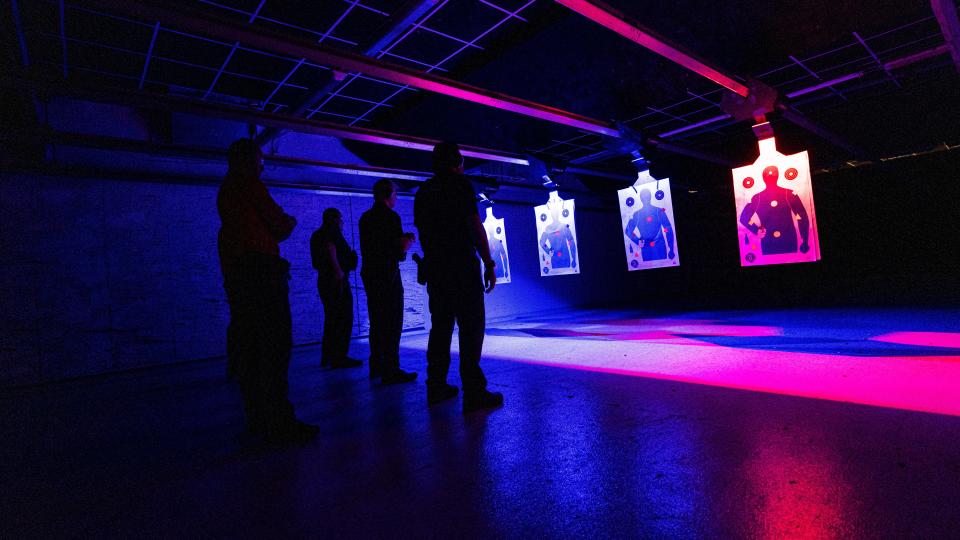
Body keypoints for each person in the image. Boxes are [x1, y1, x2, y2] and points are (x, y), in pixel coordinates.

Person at [217, 138, 318, 444]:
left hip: (240, 274)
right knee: (274, 347)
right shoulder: (250, 186)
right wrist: (290, 220)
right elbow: (281, 225)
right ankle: (280, 422)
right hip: (261, 272)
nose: (263, 166)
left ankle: (259, 419)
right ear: (249, 161)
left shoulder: (227, 192)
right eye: (261, 160)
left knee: (252, 350)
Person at [413, 142, 503, 413]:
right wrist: (488, 262)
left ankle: (436, 386)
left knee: (440, 329)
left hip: (437, 271)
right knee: (471, 327)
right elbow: (474, 226)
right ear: (457, 162)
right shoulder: (460, 186)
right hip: (462, 268)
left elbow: (424, 233)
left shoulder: (423, 192)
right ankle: (474, 391)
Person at [358, 179, 418, 385]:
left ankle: (376, 365)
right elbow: (397, 251)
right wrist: (407, 242)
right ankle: (391, 369)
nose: (397, 198)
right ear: (388, 194)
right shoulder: (391, 217)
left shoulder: (365, 218)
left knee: (377, 321)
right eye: (395, 194)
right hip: (388, 275)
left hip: (370, 274)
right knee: (393, 323)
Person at [310, 208, 362, 369]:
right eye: (340, 219)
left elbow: (316, 263)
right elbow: (348, 261)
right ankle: (339, 356)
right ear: (335, 220)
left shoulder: (317, 236)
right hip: (338, 281)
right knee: (344, 318)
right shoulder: (336, 236)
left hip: (325, 281)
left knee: (331, 318)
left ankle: (328, 356)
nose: (342, 222)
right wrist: (351, 259)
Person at [739, 165, 810, 255]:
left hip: (774, 241)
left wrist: (756, 230)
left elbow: (801, 217)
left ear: (763, 178)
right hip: (783, 240)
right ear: (778, 176)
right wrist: (805, 241)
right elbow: (801, 217)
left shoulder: (758, 197)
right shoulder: (788, 193)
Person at [624, 188, 675, 261]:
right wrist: (671, 249)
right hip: (654, 249)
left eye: (646, 197)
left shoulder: (638, 214)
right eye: (645, 197)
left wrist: (638, 241)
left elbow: (668, 230)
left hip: (651, 249)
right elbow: (668, 230)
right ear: (650, 197)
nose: (645, 199)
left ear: (640, 199)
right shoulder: (658, 211)